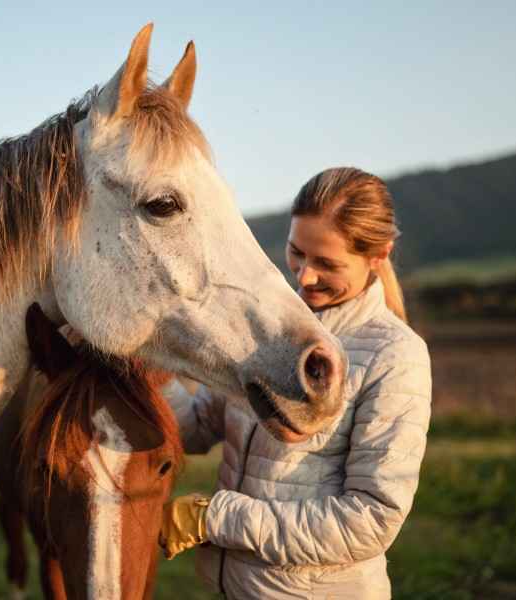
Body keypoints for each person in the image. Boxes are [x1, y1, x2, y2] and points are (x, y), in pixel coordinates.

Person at [160, 167, 432, 599]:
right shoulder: (265, 335)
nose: (304, 277)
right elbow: (193, 429)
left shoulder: (394, 357)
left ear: (379, 255)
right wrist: (150, 366)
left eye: (327, 263)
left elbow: (371, 519)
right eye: (296, 252)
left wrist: (217, 519)